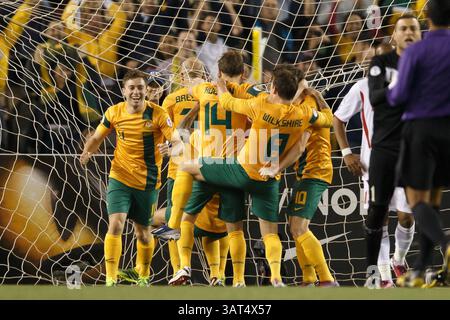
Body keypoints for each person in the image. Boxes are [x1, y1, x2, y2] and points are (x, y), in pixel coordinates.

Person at [169, 64, 332, 287]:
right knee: (271, 234)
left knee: (187, 167)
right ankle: (276, 276)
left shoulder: (261, 105)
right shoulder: (303, 113)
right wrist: (317, 96)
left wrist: (220, 85)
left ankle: (174, 224)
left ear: (273, 88)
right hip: (270, 179)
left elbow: (227, 102)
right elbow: (328, 120)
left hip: (242, 172)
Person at [163, 51, 263, 287]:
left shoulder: (205, 89)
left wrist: (195, 82)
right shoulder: (247, 95)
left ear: (218, 72)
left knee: (187, 218)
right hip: (232, 169)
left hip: (205, 167)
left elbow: (190, 90)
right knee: (234, 229)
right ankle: (237, 279)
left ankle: (184, 265)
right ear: (244, 73)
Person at [80, 70, 182, 287]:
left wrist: (171, 149)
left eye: (140, 87)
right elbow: (97, 136)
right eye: (132, 88)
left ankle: (143, 275)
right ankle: (110, 278)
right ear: (124, 91)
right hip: (119, 177)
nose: (136, 92)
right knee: (115, 225)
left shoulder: (159, 114)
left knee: (143, 233)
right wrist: (87, 151)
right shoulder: (114, 112)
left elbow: (178, 141)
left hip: (147, 182)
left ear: (146, 90)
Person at [333, 43, 415, 289]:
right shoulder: (362, 87)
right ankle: (385, 278)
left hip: (405, 163)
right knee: (379, 221)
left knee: (407, 218)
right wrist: (347, 153)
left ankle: (398, 260)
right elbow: (338, 119)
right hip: (373, 166)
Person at [387, 0, 450, 287]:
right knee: (433, 200)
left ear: (426, 18)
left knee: (416, 200)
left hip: (421, 129)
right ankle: (420, 270)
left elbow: (398, 96)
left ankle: (446, 245)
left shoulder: (417, 50)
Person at [364, 14, 420, 284]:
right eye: (403, 29)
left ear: (419, 35)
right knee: (378, 212)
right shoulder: (381, 63)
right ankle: (373, 272)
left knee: (411, 215)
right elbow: (375, 97)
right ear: (394, 36)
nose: (408, 32)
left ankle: (402, 262)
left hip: (415, 150)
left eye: (413, 28)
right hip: (384, 150)